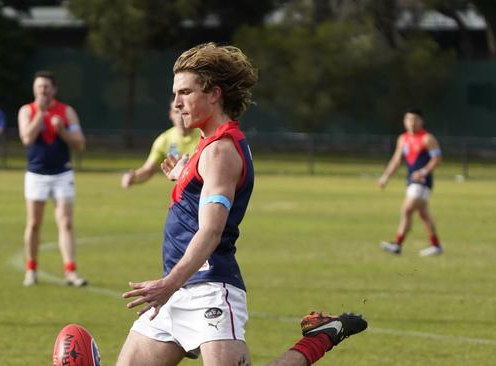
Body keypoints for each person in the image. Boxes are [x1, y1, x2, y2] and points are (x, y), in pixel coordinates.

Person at [116, 43, 367, 366]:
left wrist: (168, 284)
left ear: (214, 94)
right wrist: (184, 177)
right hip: (177, 292)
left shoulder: (220, 151)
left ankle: (321, 336)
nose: (177, 103)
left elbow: (211, 230)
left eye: (185, 92)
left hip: (209, 289)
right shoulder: (207, 147)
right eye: (175, 94)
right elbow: (201, 196)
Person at [17, 70, 87, 287]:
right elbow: (26, 138)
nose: (43, 91)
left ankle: (70, 272)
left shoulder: (67, 112)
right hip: (36, 174)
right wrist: (41, 114)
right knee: (34, 223)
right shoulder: (27, 111)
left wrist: (62, 130)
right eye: (39, 87)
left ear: (54, 89)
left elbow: (79, 144)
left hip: (61, 173)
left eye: (46, 87)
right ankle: (31, 269)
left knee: (65, 223)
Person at [378, 109, 443, 257]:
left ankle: (397, 244)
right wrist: (385, 177)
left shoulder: (427, 138)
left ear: (421, 121)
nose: (411, 123)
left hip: (423, 182)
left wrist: (424, 171)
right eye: (408, 119)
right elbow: (396, 160)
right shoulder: (403, 139)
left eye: (414, 119)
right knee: (423, 214)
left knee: (407, 209)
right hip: (410, 181)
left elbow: (437, 158)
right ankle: (436, 245)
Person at [121, 100, 200, 188]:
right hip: (186, 195)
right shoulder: (164, 140)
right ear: (171, 114)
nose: (180, 116)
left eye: (184, 112)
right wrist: (133, 177)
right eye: (176, 112)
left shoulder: (205, 135)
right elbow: (148, 170)